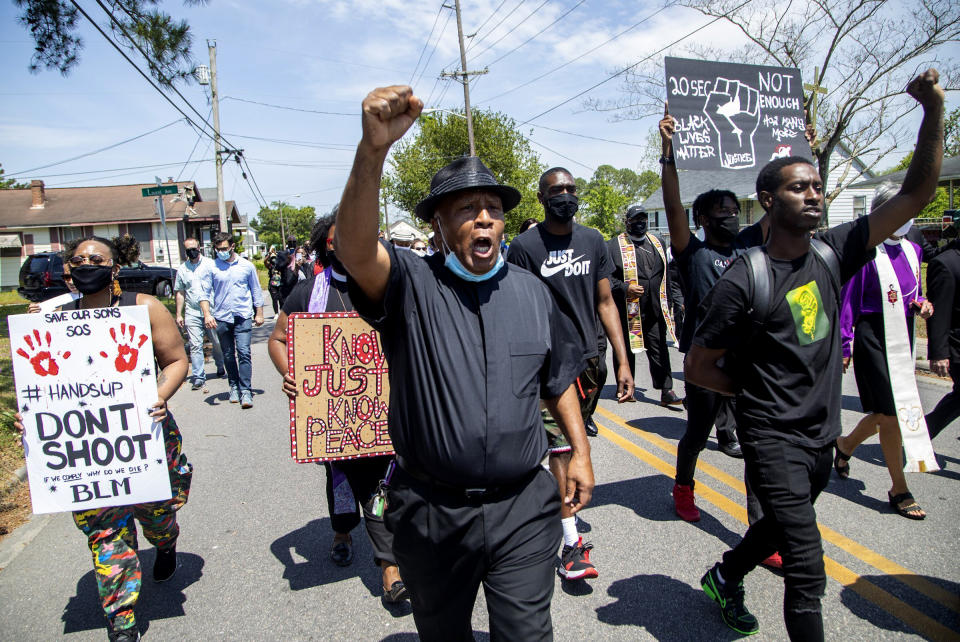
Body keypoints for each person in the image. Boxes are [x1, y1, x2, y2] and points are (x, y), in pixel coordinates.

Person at [685, 69, 943, 640]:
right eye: (799, 187)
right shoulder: (742, 280)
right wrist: (756, 395)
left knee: (778, 527)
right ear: (768, 200)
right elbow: (700, 367)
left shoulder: (834, 251)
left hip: (822, 435)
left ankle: (725, 575)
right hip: (772, 438)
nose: (814, 195)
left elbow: (916, 194)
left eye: (818, 187)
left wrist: (932, 113)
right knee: (807, 567)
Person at [336, 84, 593, 641]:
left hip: (523, 506)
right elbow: (355, 252)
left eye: (494, 210)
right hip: (431, 511)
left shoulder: (532, 293)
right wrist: (371, 150)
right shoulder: (410, 284)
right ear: (438, 226)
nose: (484, 220)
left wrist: (579, 452)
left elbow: (557, 381)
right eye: (467, 211)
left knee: (526, 634)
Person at [16, 234, 192, 642]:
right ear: (67, 270)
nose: (86, 264)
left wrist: (159, 395)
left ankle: (165, 544)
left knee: (158, 515)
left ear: (114, 268)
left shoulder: (142, 307)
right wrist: (35, 419)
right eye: (77, 259)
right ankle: (122, 619)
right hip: (89, 450)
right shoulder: (50, 318)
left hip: (142, 434)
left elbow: (177, 359)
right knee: (106, 531)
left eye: (96, 258)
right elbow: (39, 388)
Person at [267, 212, 409, 602]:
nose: (345, 246)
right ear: (323, 246)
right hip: (331, 417)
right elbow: (278, 339)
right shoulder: (307, 292)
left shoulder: (387, 288)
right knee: (341, 481)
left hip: (381, 414)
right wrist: (289, 373)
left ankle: (390, 569)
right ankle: (343, 530)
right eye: (335, 241)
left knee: (382, 485)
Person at [507, 166, 634, 580]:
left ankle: (546, 499)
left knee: (566, 447)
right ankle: (570, 542)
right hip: (548, 367)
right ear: (542, 199)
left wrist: (622, 359)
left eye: (570, 189)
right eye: (556, 190)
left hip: (588, 363)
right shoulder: (525, 247)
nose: (566, 195)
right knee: (566, 447)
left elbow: (605, 302)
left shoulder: (593, 240)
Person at [658, 106, 748, 527]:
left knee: (757, 440)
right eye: (722, 211)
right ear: (703, 220)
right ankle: (683, 487)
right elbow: (673, 205)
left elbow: (780, 206)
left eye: (734, 209)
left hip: (747, 359)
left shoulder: (751, 250)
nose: (730, 215)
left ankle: (761, 520)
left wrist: (802, 146)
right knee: (697, 432)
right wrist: (668, 150)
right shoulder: (693, 253)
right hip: (704, 360)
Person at [834, 184, 935, 519]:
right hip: (871, 337)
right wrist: (845, 344)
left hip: (901, 333)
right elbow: (849, 301)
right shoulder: (866, 252)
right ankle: (899, 487)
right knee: (891, 413)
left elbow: (910, 292)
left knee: (884, 413)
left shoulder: (913, 250)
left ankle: (845, 445)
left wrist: (919, 304)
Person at [607, 204, 683, 407]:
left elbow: (667, 275)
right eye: (636, 219)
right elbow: (607, 279)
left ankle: (666, 390)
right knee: (626, 350)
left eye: (644, 219)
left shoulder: (657, 243)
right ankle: (625, 388)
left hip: (655, 308)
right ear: (627, 222)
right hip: (629, 309)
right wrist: (625, 288)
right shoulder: (614, 246)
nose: (641, 223)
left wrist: (673, 302)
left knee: (659, 349)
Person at [198, 232, 264, 409]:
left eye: (225, 248)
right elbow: (203, 294)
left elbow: (256, 290)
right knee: (228, 354)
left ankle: (246, 390)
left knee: (244, 352)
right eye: (218, 249)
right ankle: (233, 386)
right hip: (222, 317)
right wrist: (207, 314)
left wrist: (259, 312)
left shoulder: (246, 266)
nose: (222, 252)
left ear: (232, 247)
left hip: (243, 316)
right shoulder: (212, 268)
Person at [174, 237, 226, 391]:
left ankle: (220, 364)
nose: (191, 251)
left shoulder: (211, 265)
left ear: (199, 248)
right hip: (192, 311)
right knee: (195, 345)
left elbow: (219, 286)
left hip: (212, 311)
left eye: (194, 248)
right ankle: (198, 376)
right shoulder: (182, 269)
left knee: (216, 342)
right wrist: (179, 314)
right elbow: (180, 293)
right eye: (188, 249)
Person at [925, 237, 960, 439]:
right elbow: (940, 311)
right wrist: (939, 353)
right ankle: (925, 431)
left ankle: (925, 431)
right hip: (956, 346)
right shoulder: (946, 263)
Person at [265, 246, 283, 314]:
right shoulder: (270, 266)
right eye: (272, 258)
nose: (273, 260)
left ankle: (281, 312)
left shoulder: (280, 265)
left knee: (281, 299)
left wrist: (277, 255)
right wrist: (269, 255)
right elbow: (265, 261)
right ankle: (276, 313)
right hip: (273, 284)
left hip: (280, 283)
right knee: (274, 299)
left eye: (274, 258)